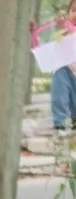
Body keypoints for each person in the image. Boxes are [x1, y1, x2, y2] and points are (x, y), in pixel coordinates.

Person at [50, 2, 76, 134]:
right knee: (60, 95)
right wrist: (61, 29)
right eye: (73, 10)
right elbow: (57, 43)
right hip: (64, 69)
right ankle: (59, 122)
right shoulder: (65, 31)